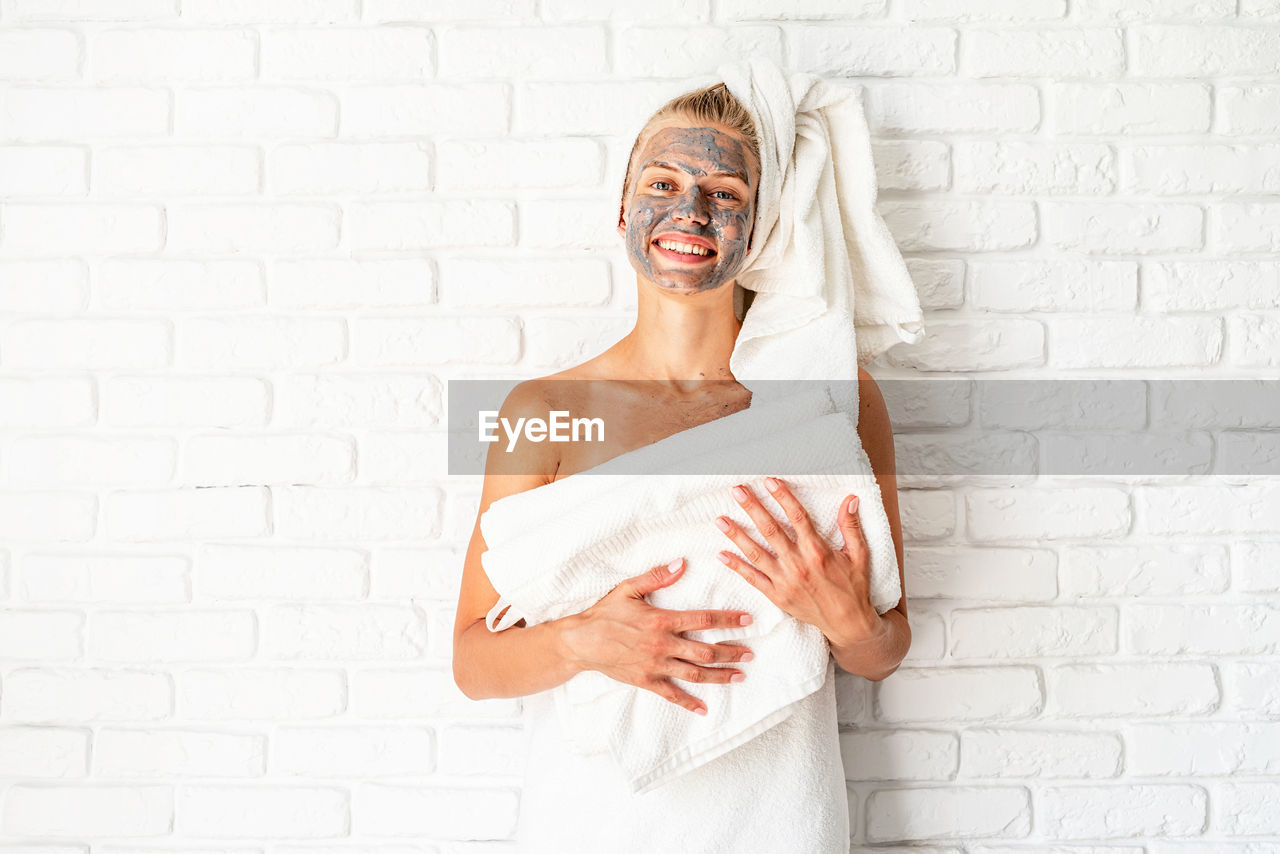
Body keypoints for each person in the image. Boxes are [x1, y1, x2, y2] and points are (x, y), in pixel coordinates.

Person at [451, 79, 911, 852]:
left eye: (725, 191)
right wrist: (580, 641)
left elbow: (885, 650)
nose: (690, 212)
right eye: (662, 184)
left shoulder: (832, 396)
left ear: (759, 228)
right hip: (593, 820)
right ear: (623, 210)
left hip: (777, 817)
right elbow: (471, 658)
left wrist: (848, 620)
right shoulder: (545, 410)